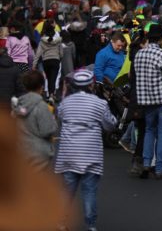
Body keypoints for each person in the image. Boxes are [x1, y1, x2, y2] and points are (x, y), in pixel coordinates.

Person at [55, 70, 116, 231]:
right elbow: (110, 125)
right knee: (89, 191)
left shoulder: (65, 103)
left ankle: (61, 223)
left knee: (67, 191)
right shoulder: (99, 103)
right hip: (91, 154)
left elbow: (60, 117)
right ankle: (90, 225)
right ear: (91, 85)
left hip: (68, 153)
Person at [133, 24, 162, 179]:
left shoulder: (139, 54)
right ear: (160, 39)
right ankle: (160, 168)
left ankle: (146, 164)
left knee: (149, 131)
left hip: (146, 100)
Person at [11, 71, 58, 169]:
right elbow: (47, 130)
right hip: (38, 155)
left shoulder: (18, 105)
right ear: (41, 87)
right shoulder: (41, 106)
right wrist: (53, 120)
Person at [34, 22, 62, 97]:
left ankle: (49, 95)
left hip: (46, 61)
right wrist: (60, 59)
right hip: (55, 60)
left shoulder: (42, 41)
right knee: (53, 78)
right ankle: (51, 95)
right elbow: (61, 52)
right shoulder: (58, 40)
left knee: (49, 78)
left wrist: (34, 65)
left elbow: (38, 54)